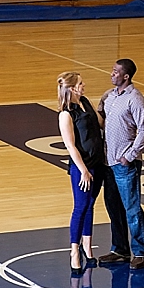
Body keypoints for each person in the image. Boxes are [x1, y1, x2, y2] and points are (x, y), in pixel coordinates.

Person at [96, 58, 144, 269]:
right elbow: (101, 121)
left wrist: (130, 155)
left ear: (125, 76)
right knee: (114, 207)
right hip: (108, 163)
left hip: (125, 164)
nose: (111, 74)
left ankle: (141, 252)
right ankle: (119, 249)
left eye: (115, 71)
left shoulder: (135, 99)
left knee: (132, 208)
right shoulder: (109, 97)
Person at [57, 72, 104, 276]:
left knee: (91, 205)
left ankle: (88, 246)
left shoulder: (86, 102)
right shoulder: (66, 114)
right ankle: (74, 251)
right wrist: (83, 170)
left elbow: (101, 123)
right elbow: (70, 145)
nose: (84, 86)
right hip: (82, 167)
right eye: (81, 83)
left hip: (98, 162)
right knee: (80, 206)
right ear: (73, 88)